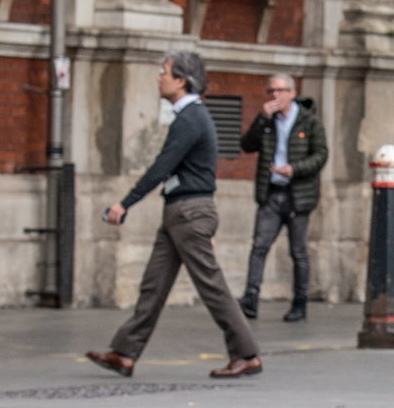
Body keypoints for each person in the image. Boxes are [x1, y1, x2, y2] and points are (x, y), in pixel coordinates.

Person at [86, 50, 263, 379]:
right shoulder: (190, 116)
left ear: (181, 80)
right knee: (153, 286)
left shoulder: (191, 118)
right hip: (180, 213)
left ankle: (247, 354)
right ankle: (124, 353)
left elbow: (162, 167)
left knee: (212, 286)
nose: (159, 77)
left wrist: (124, 203)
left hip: (190, 212)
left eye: (164, 72)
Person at [237, 73, 328, 322]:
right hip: (271, 193)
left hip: (298, 195)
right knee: (259, 246)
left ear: (292, 92)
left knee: (298, 251)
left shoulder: (309, 122)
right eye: (271, 91)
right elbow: (247, 145)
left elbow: (321, 155)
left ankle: (300, 302)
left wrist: (295, 169)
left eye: (280, 91)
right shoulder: (268, 121)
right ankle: (251, 297)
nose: (275, 96)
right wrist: (261, 119)